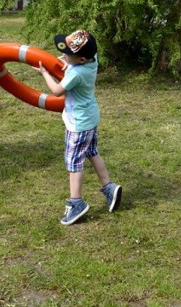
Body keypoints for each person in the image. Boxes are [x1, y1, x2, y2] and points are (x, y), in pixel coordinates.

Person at [34, 29, 122, 225]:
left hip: (78, 124)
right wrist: (68, 59)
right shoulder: (92, 60)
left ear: (81, 59)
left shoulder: (77, 74)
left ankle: (76, 203)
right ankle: (108, 187)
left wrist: (45, 73)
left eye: (68, 54)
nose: (64, 55)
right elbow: (78, 57)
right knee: (92, 152)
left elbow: (56, 91)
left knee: (74, 164)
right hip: (90, 118)